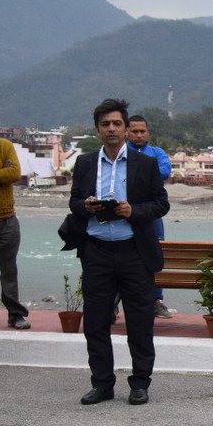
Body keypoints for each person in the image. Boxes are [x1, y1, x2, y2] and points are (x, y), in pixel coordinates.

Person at [68, 99, 169, 405]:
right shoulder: (85, 163)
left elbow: (161, 204)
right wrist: (84, 206)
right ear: (97, 129)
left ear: (126, 128)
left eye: (116, 124)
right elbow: (73, 202)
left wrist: (132, 210)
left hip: (134, 252)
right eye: (105, 124)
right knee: (96, 322)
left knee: (140, 322)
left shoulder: (146, 164)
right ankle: (102, 383)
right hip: (96, 252)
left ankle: (140, 383)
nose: (111, 129)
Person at [0, 105, 30, 329]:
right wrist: (0, 176)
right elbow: (6, 175)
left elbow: (14, 174)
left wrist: (1, 175)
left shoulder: (5, 145)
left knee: (9, 270)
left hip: (7, 220)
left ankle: (15, 314)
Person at [127, 115, 173, 319]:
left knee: (155, 254)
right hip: (125, 213)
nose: (138, 135)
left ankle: (157, 300)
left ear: (148, 132)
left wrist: (137, 172)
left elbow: (165, 170)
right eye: (134, 131)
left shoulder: (157, 152)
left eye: (142, 131)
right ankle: (115, 303)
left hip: (152, 214)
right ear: (127, 131)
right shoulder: (121, 152)